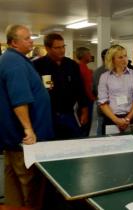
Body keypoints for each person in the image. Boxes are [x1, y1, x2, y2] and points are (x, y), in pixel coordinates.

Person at [0, 24, 54, 209]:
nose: (32, 40)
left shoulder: (13, 59)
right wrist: (28, 129)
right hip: (23, 139)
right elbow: (19, 100)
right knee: (29, 182)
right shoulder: (14, 63)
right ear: (14, 42)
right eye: (27, 38)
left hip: (12, 138)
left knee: (13, 180)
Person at [33, 33, 89, 139]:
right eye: (57, 48)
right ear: (47, 48)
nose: (62, 50)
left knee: (73, 143)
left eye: (63, 46)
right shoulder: (37, 66)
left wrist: (84, 110)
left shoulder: (72, 65)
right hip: (48, 115)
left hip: (68, 113)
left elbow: (80, 89)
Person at [98, 45, 133, 134]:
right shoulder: (104, 77)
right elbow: (103, 102)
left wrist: (127, 119)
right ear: (112, 59)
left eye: (125, 56)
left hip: (130, 119)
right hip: (111, 119)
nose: (124, 59)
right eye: (120, 57)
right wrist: (116, 120)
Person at [76, 46, 95, 136]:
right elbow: (86, 88)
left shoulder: (85, 68)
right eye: (89, 54)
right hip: (86, 102)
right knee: (85, 125)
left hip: (86, 101)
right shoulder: (82, 68)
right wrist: (93, 98)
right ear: (84, 55)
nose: (91, 56)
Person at [93, 48, 109, 136]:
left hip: (101, 108)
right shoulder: (104, 72)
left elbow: (94, 91)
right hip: (107, 110)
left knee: (101, 131)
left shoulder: (96, 72)